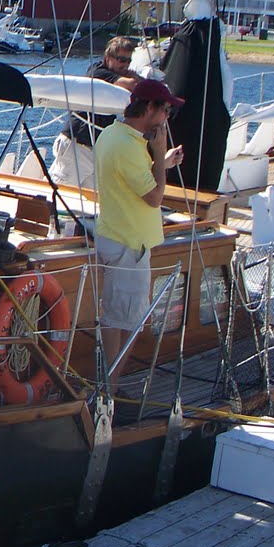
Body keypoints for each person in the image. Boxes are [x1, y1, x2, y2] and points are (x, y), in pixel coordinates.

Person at [92, 77, 185, 390]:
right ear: (149, 108)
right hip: (128, 244)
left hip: (117, 236)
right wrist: (159, 153)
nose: (166, 118)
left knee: (117, 317)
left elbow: (138, 180)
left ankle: (108, 384)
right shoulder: (128, 146)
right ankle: (109, 389)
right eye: (165, 111)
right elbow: (155, 197)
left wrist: (163, 161)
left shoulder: (113, 135)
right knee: (126, 322)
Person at [48, 36, 142, 190]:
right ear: (108, 58)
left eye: (128, 61)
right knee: (61, 191)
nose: (125, 65)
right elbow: (133, 85)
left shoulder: (115, 75)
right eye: (121, 59)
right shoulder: (98, 72)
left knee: (94, 199)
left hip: (96, 149)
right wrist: (133, 76)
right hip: (77, 144)